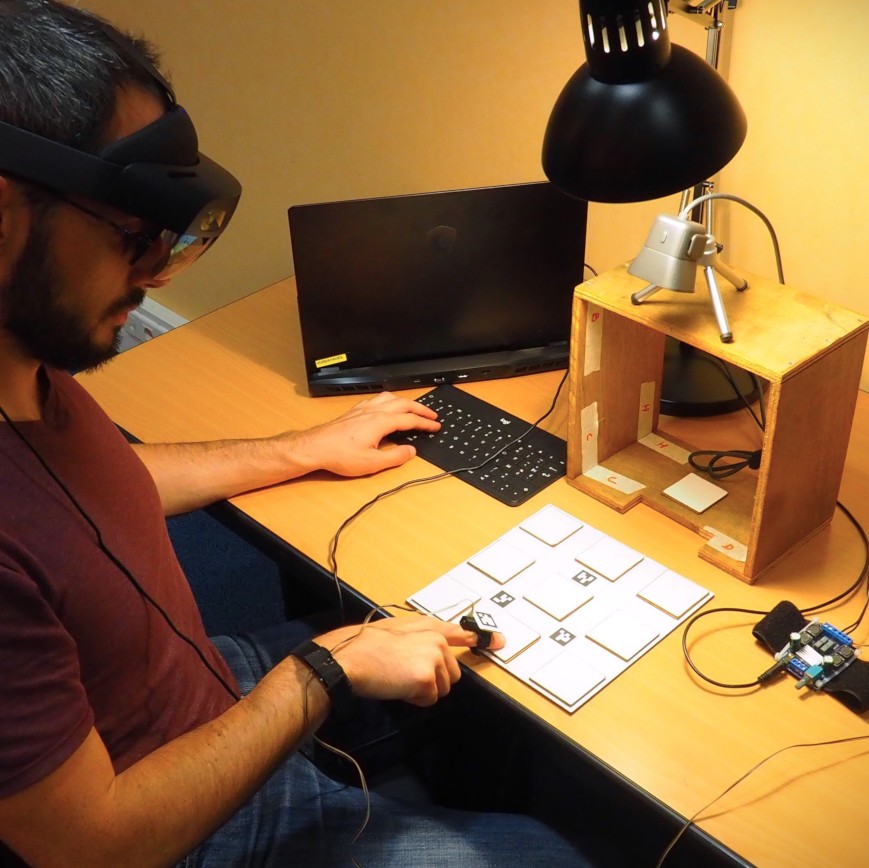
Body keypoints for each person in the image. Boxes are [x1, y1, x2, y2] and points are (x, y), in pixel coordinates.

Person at [0, 3, 597, 865]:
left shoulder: (23, 355)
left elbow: (95, 486)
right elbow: (96, 847)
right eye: (131, 237)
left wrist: (299, 449)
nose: (154, 272)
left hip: (194, 679)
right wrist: (321, 672)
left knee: (477, 665)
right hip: (165, 819)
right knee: (544, 857)